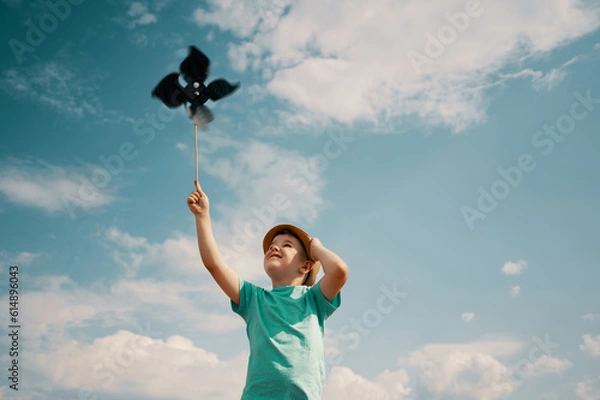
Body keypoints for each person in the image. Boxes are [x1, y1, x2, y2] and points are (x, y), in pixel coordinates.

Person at [187, 179, 349, 399]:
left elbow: (339, 270)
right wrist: (202, 216)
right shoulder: (254, 299)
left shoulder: (314, 299)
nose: (275, 247)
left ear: (305, 265)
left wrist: (315, 247)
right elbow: (214, 265)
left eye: (287, 245)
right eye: (273, 244)